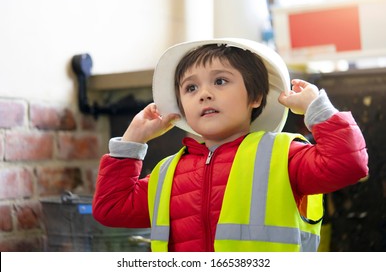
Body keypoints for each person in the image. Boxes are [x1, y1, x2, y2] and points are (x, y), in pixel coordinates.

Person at [92, 38, 368, 252]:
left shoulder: (284, 155)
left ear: (256, 96)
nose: (205, 94)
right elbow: (111, 208)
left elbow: (348, 164)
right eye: (191, 88)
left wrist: (317, 110)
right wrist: (132, 141)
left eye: (220, 81)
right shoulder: (167, 173)